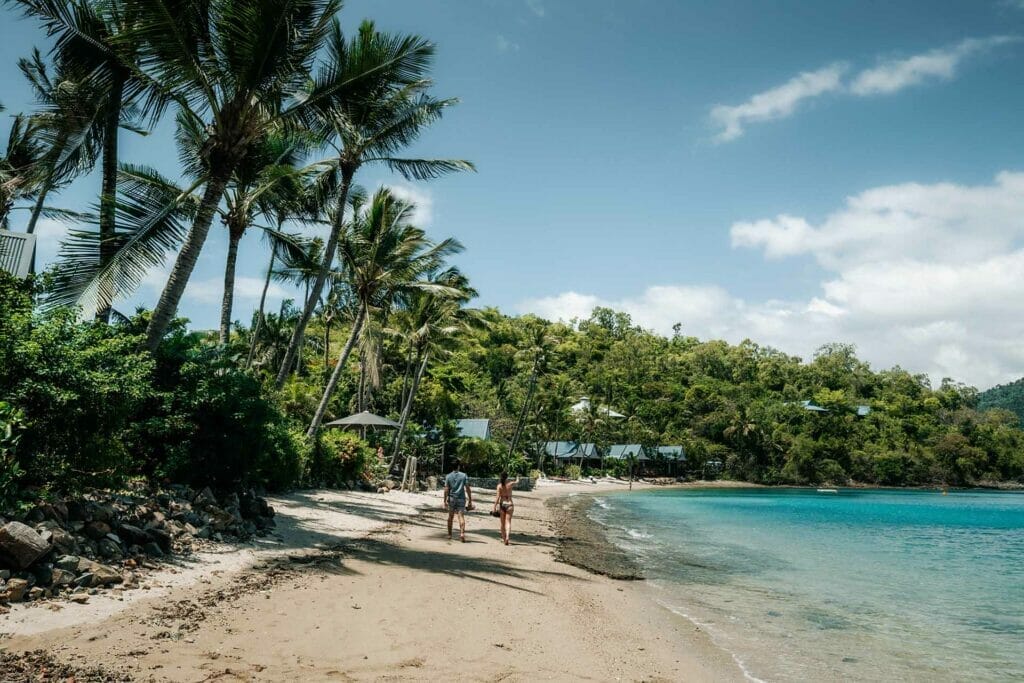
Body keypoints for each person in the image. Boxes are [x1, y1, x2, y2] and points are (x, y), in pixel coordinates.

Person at [443, 459, 473, 542]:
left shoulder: (448, 476)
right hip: (461, 499)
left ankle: (449, 535)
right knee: (461, 516)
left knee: (450, 517)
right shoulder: (464, 475)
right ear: (459, 466)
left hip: (451, 499)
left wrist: (444, 500)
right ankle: (462, 534)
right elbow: (467, 488)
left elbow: (446, 489)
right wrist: (470, 499)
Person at [492, 471, 515, 545]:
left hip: (502, 505)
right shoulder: (510, 484)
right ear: (507, 477)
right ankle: (507, 537)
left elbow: (497, 497)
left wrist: (494, 507)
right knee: (508, 522)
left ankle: (504, 539)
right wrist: (518, 477)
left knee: (502, 523)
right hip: (510, 504)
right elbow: (517, 481)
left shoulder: (499, 486)